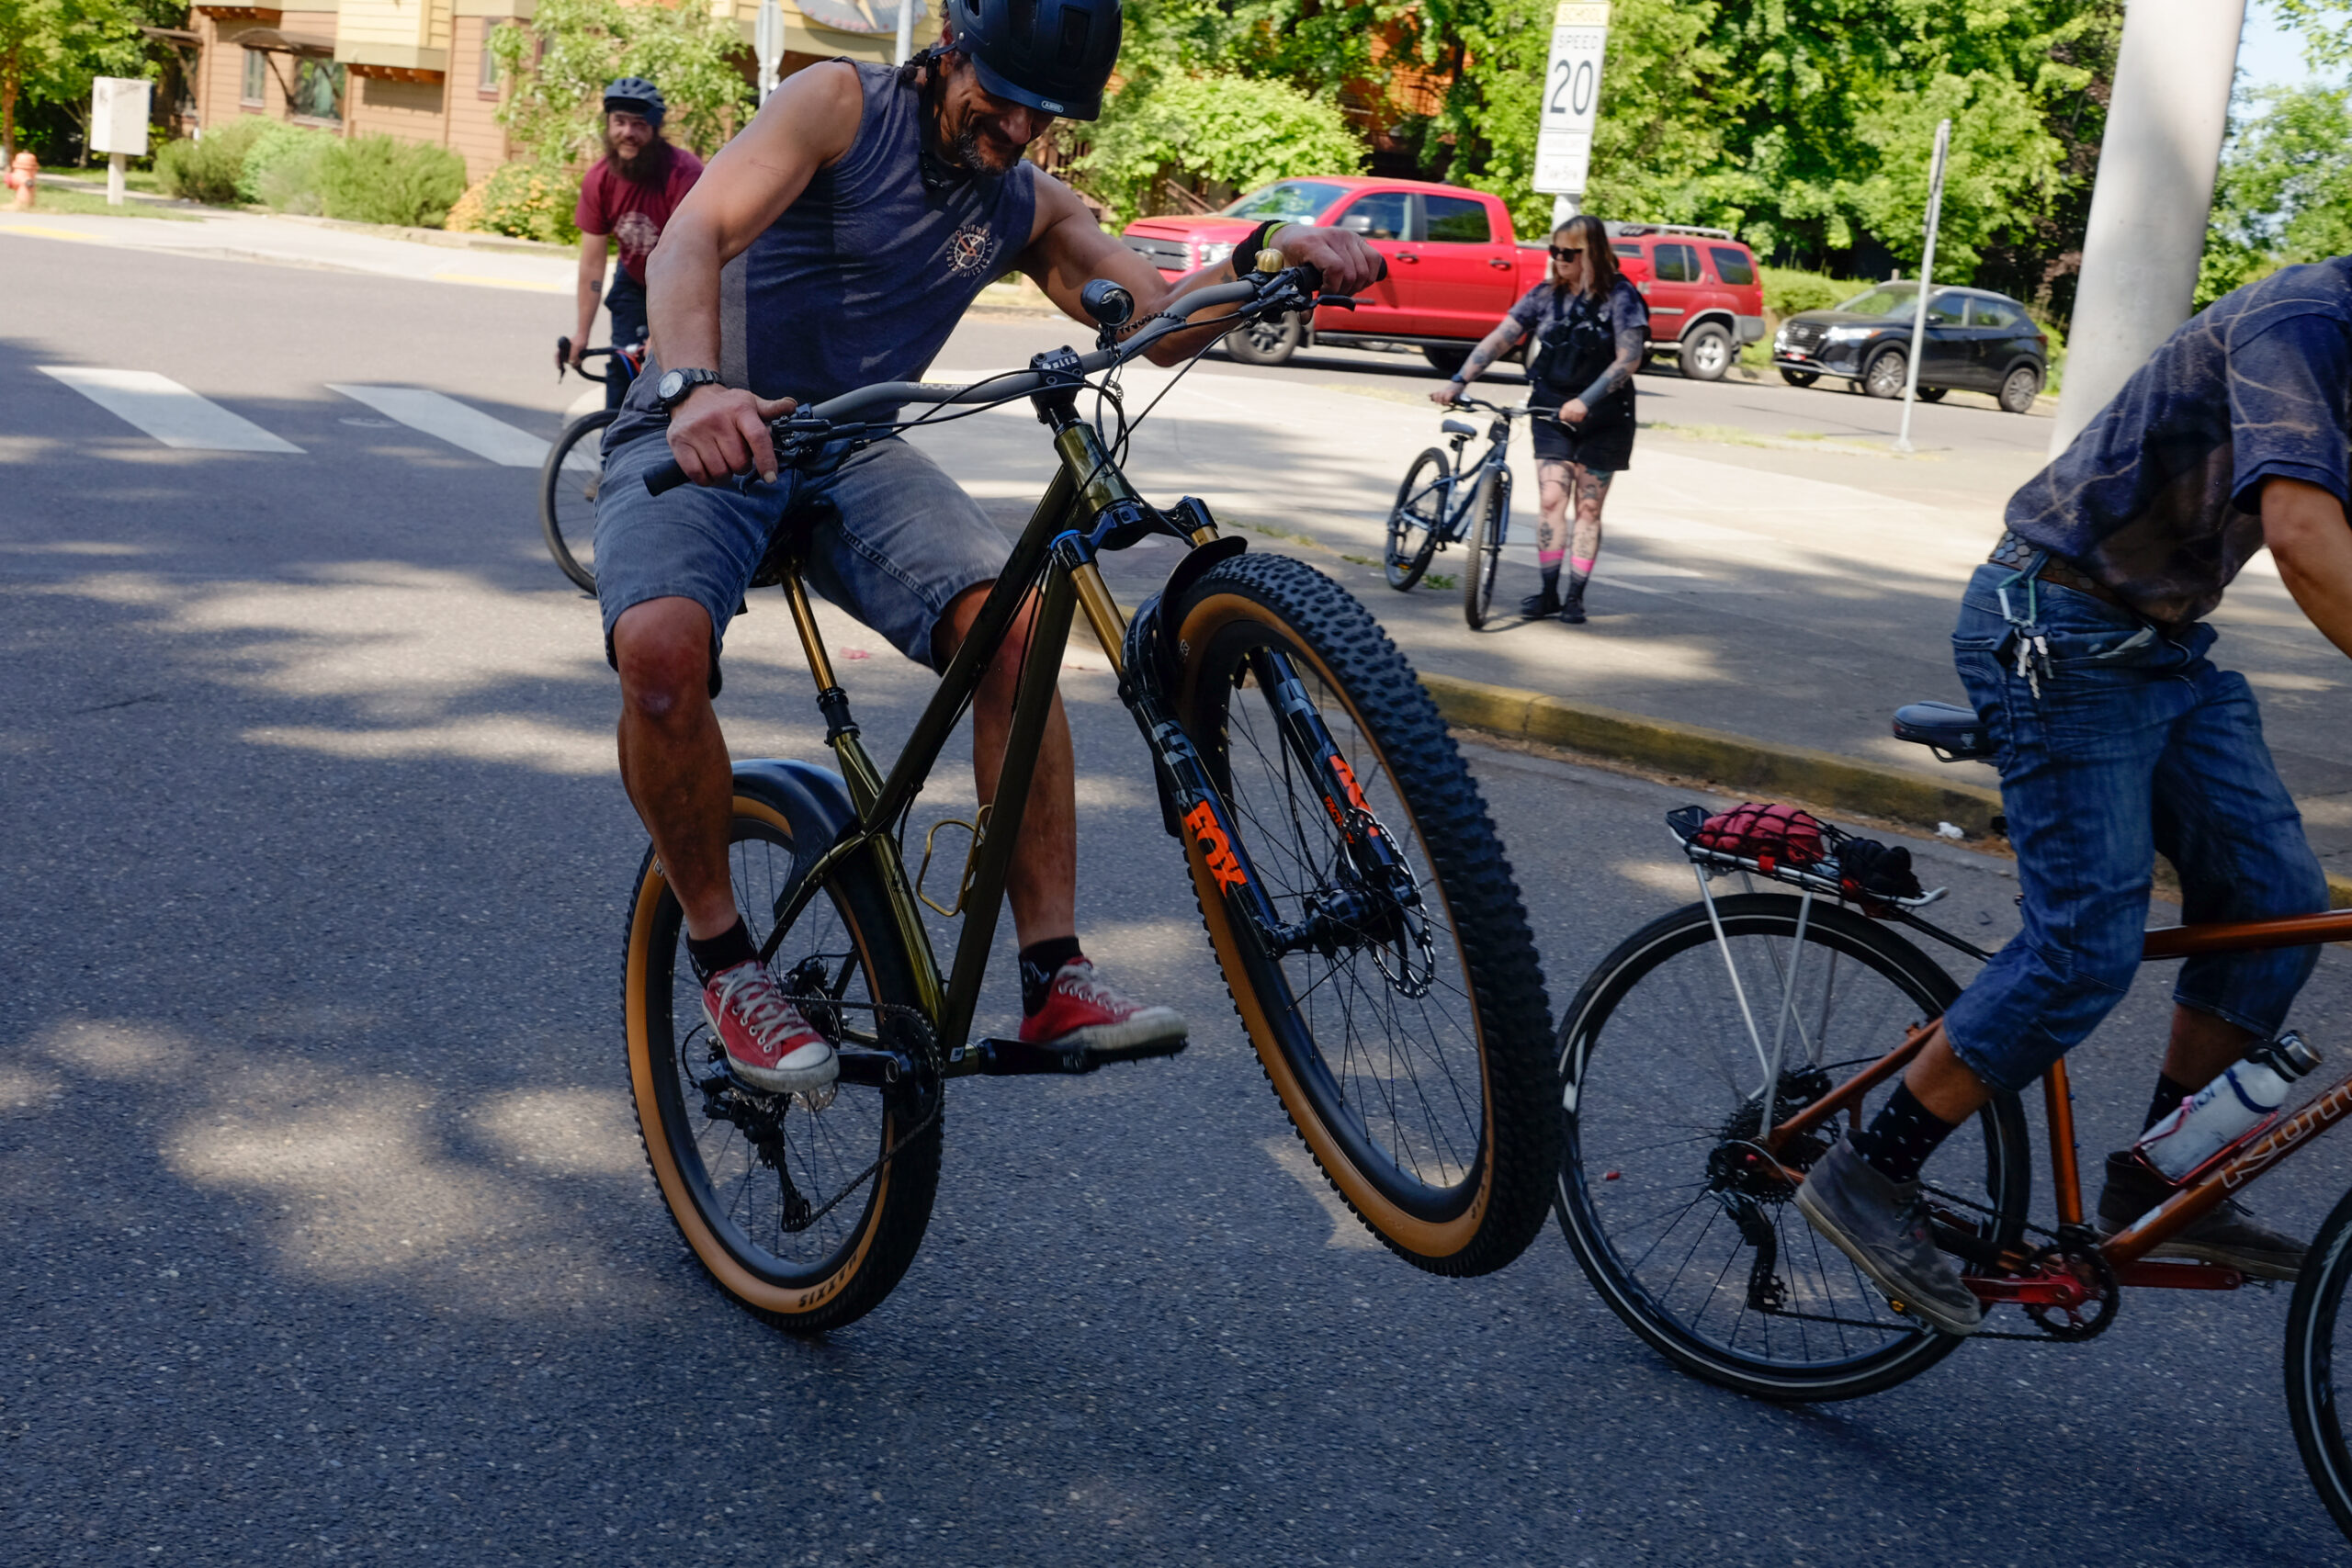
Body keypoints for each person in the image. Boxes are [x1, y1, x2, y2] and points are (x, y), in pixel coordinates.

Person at [591, 0, 1383, 1094]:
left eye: (1043, 114)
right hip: (704, 421)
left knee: (1013, 636)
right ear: (948, 49)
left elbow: (1152, 319)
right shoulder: (837, 105)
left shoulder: (1022, 201)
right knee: (660, 659)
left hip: (853, 444)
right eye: (999, 97)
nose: (1015, 128)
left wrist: (1266, 260)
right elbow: (696, 231)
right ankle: (727, 961)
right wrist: (691, 385)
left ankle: (1053, 971)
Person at [1794, 256, 2352, 1337]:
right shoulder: (2310, 320)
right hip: (2055, 624)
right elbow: (2303, 534)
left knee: (2273, 909)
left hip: (2158, 639)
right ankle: (1867, 1172)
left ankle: (2160, 1178)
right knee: (2084, 944)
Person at [1431, 213, 1645, 625]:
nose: (1559, 259)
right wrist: (1458, 380)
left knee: (1588, 507)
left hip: (1605, 414)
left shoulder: (1622, 297)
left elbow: (1629, 357)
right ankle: (1547, 591)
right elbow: (1502, 336)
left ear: (1593, 253)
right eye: (1555, 251)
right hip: (1550, 408)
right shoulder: (1546, 295)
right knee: (1551, 500)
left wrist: (1586, 400)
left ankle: (1575, 597)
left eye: (1569, 252)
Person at [571, 78, 703, 409]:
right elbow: (592, 264)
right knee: (623, 369)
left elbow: (688, 260)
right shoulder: (599, 179)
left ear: (655, 129)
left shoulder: (683, 173)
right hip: (633, 281)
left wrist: (659, 335)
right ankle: (613, 456)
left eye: (639, 124)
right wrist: (581, 334)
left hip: (687, 280)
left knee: (675, 377)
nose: (627, 132)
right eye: (619, 122)